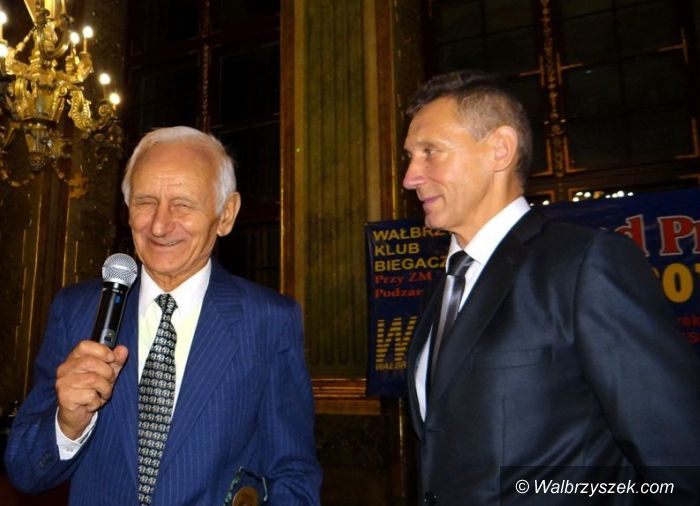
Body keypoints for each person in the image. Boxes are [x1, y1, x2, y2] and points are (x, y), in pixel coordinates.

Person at [402, 70, 700, 505]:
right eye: (410, 156)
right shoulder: (446, 284)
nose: (410, 177)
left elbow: (679, 460)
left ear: (500, 149)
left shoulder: (584, 264)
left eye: (430, 152)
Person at [4, 126, 322, 504]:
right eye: (145, 201)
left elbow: (294, 476)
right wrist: (67, 424)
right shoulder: (77, 311)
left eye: (182, 205)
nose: (158, 225)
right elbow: (25, 471)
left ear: (226, 214)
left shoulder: (268, 321)